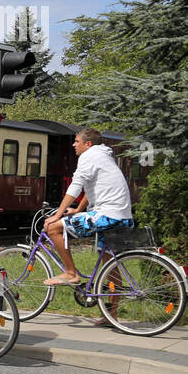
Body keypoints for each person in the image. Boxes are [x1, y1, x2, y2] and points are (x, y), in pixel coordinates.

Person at [42, 129, 134, 321]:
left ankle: (70, 273)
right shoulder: (104, 156)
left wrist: (57, 215)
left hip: (106, 215)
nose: (73, 145)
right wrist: (78, 210)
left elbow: (75, 187)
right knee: (110, 264)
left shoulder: (88, 157)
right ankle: (112, 316)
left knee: (53, 228)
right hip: (121, 215)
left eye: (76, 141)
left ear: (88, 144)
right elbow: (91, 188)